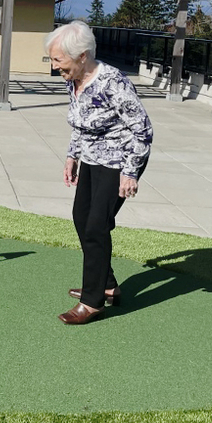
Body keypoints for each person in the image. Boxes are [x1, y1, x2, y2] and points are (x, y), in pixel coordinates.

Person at [44, 21, 153, 324]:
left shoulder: (113, 83)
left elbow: (142, 130)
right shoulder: (75, 78)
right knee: (82, 218)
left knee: (96, 226)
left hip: (119, 162)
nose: (55, 67)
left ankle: (93, 303)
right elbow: (80, 122)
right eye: (52, 60)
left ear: (81, 56)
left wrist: (130, 173)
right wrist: (71, 156)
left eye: (58, 61)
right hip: (92, 158)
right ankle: (107, 286)